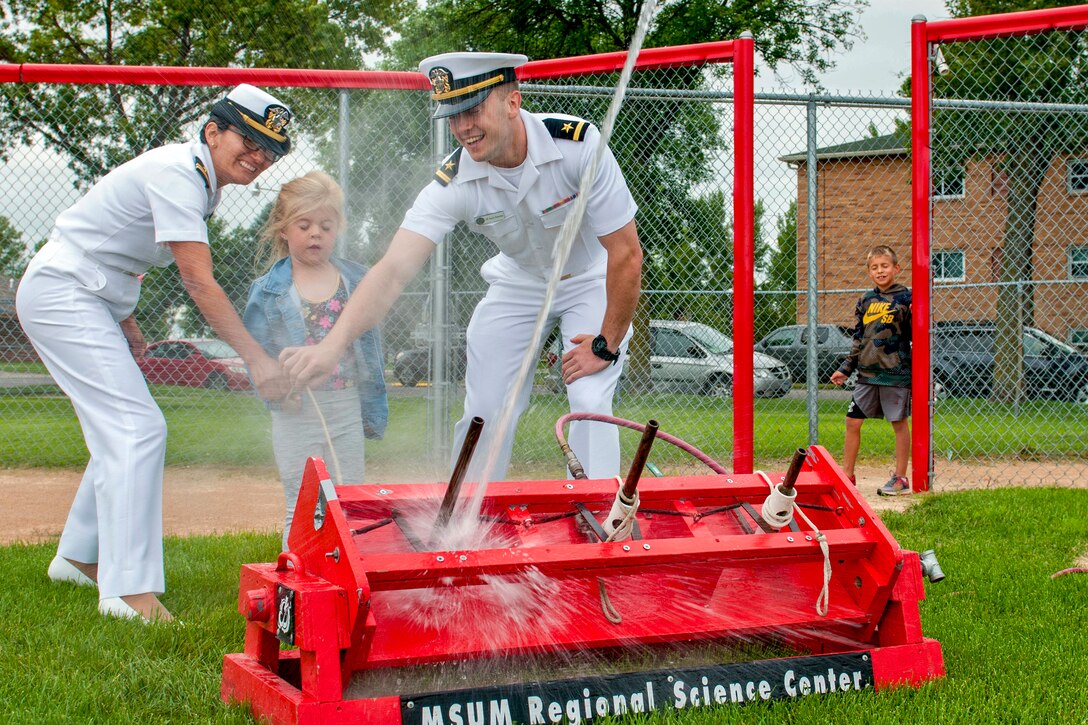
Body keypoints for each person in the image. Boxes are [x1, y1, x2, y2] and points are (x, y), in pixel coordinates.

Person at [280, 52, 643, 482]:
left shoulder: (578, 146)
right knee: (485, 409)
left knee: (587, 398)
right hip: (520, 282)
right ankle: (466, 525)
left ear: (512, 103)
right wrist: (331, 346)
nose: (463, 127)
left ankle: (601, 518)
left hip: (590, 279)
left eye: (472, 110)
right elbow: (393, 269)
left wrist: (605, 343)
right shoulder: (453, 182)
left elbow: (625, 254)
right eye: (453, 117)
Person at [16, 84, 295, 622]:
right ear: (212, 130)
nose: (259, 157)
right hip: (63, 291)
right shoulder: (180, 174)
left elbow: (113, 242)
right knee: (137, 429)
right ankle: (127, 592)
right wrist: (257, 360)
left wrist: (125, 318)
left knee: (119, 430)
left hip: (86, 293)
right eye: (251, 140)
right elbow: (198, 281)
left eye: (271, 150)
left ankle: (78, 557)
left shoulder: (200, 183)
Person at [243, 171, 388, 551]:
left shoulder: (355, 279)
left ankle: (345, 573)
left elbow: (369, 336)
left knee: (347, 495)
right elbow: (257, 355)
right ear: (283, 230)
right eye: (304, 225)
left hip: (346, 404)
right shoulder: (269, 290)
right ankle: (295, 576)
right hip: (296, 411)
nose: (315, 234)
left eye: (326, 225)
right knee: (302, 497)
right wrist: (280, 394)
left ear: (338, 228)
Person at [830, 245, 913, 496]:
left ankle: (900, 478)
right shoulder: (866, 300)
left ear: (896, 268)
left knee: (898, 423)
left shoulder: (907, 298)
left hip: (895, 374)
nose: (880, 271)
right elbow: (859, 338)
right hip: (867, 374)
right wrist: (846, 368)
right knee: (852, 421)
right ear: (869, 272)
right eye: (875, 267)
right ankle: (847, 477)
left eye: (885, 266)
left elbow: (915, 334)